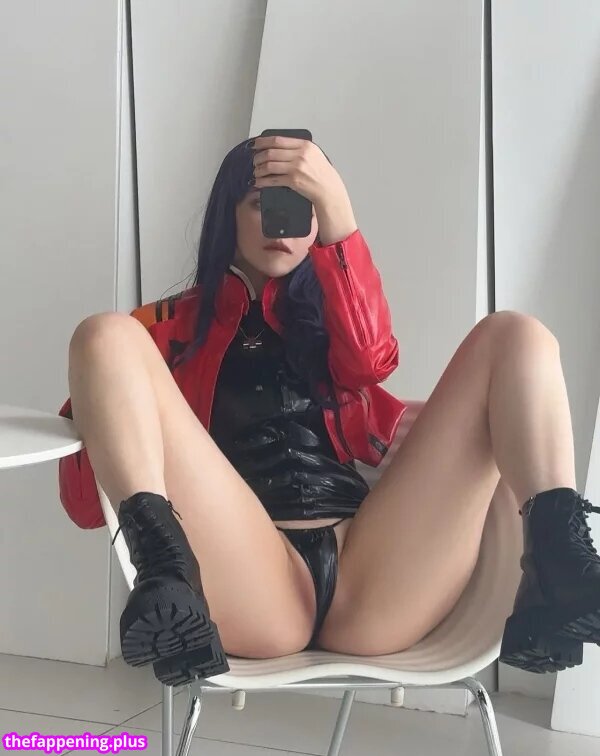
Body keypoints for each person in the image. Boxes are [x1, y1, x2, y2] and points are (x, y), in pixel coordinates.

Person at [58, 134, 600, 687]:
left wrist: (340, 217)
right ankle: (164, 572)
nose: (284, 227)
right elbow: (83, 505)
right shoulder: (163, 330)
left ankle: (561, 566)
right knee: (104, 333)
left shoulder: (336, 316)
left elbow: (374, 360)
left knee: (514, 333)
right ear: (229, 214)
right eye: (265, 204)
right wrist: (106, 389)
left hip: (374, 575)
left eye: (305, 208)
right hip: (253, 579)